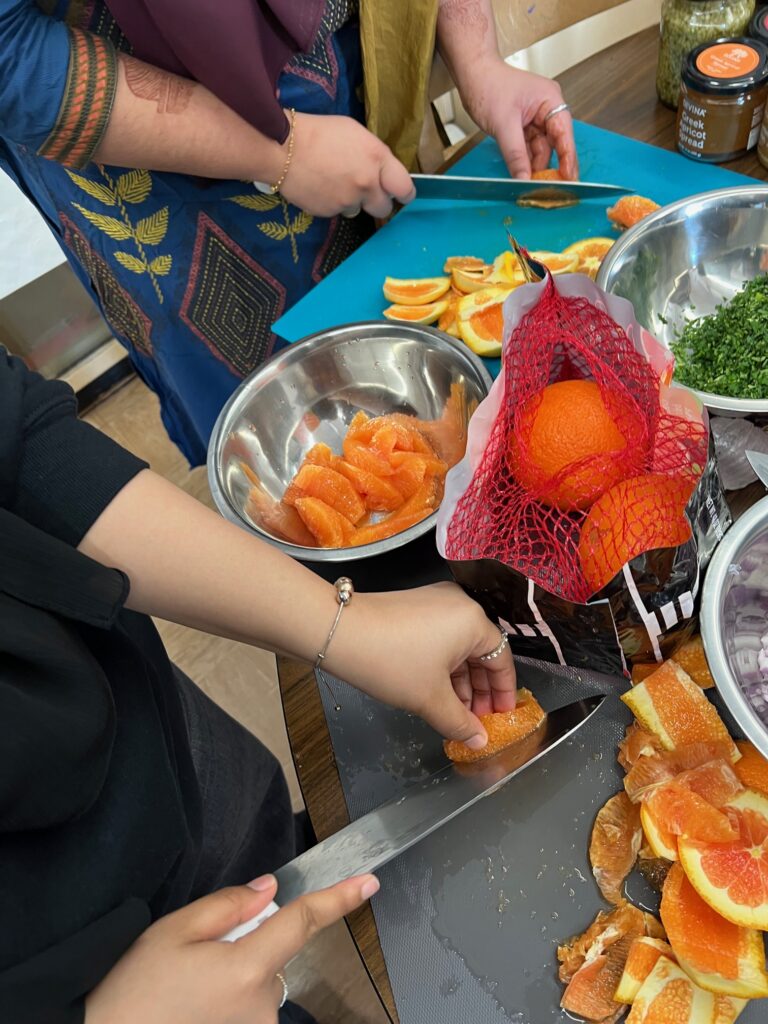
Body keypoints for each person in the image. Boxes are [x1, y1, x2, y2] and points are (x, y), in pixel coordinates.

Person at [0, 346, 517, 1023]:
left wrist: (347, 629)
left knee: (249, 819)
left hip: (133, 718)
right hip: (52, 965)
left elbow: (20, 437)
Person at [0, 0, 577, 466]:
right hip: (166, 182)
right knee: (305, 460)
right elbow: (11, 55)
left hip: (349, 92)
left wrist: (477, 59)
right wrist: (280, 151)